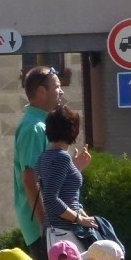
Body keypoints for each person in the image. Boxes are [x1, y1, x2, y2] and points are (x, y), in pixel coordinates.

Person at [2, 66, 88, 260]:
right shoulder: (34, 127)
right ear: (40, 91)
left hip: (45, 220)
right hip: (42, 222)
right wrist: (44, 224)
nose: (61, 90)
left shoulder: (40, 124)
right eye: (55, 85)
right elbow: (30, 178)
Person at [37, 105, 96, 252]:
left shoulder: (44, 156)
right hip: (65, 232)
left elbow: (64, 190)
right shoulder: (62, 157)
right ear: (72, 130)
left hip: (55, 231)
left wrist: (75, 168)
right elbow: (51, 199)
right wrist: (79, 219)